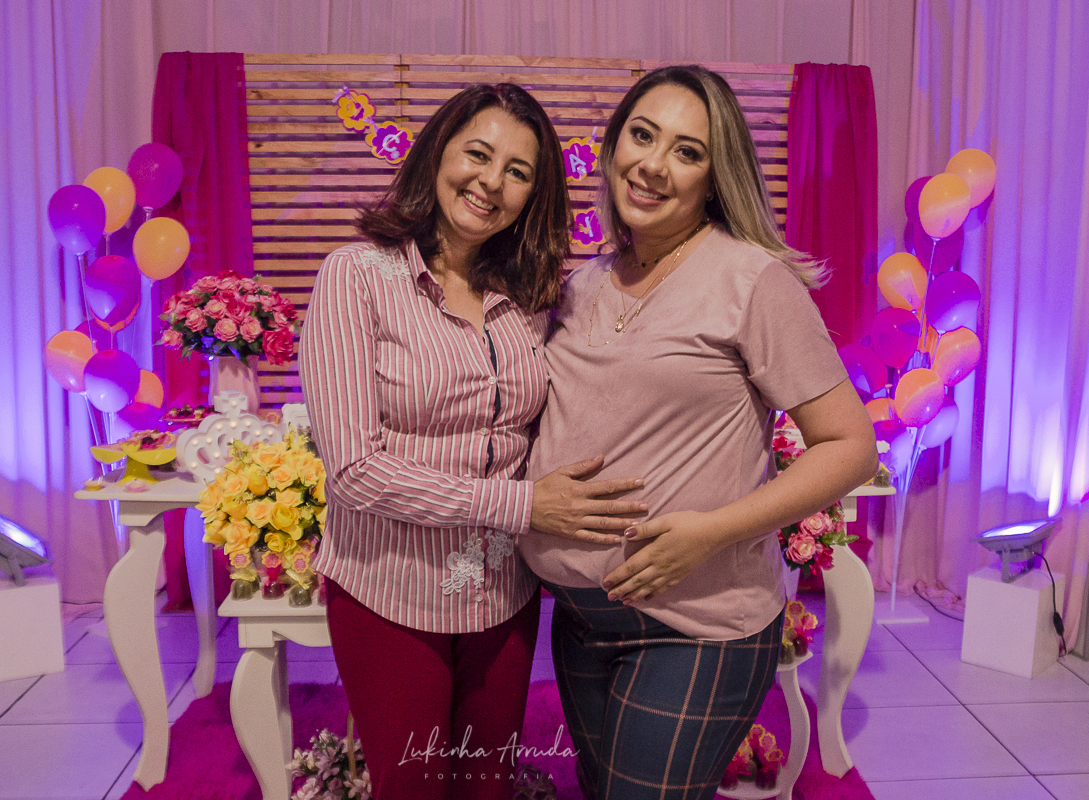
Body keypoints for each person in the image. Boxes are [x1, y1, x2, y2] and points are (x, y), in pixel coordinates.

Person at [518, 65, 880, 800]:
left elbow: (851, 447)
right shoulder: (582, 284)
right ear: (613, 147)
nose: (653, 164)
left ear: (715, 180)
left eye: (687, 152)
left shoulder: (752, 282)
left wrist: (711, 531)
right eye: (642, 135)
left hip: (695, 626)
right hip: (581, 619)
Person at [298, 83, 647, 800]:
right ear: (437, 154)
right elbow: (355, 470)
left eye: (517, 171)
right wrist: (523, 505)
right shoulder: (357, 276)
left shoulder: (531, 295)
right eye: (478, 155)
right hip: (391, 589)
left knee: (488, 784)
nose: (491, 181)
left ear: (533, 194)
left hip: (501, 591)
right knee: (414, 787)